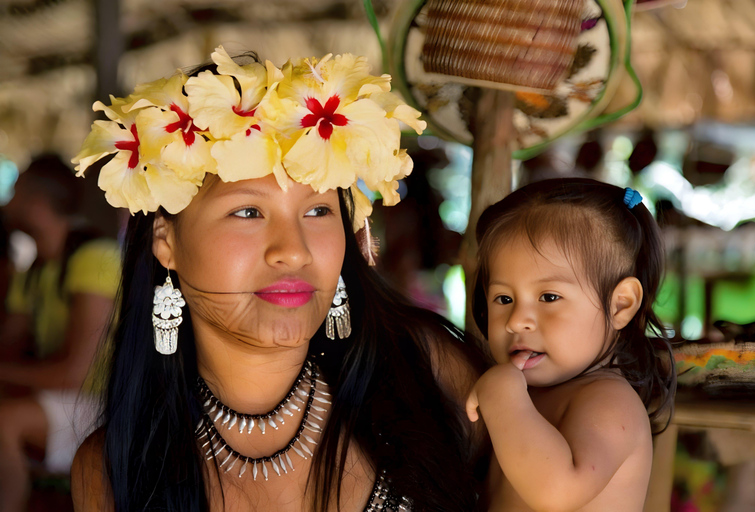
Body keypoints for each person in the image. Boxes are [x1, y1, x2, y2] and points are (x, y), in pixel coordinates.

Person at [70, 47, 486, 512]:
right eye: (248, 211)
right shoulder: (115, 470)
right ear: (165, 242)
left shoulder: (428, 372)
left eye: (317, 210)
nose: (293, 250)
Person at [466, 178, 676, 511]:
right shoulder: (527, 391)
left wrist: (502, 394)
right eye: (503, 298)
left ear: (620, 305)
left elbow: (556, 492)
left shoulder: (610, 402)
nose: (516, 320)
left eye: (549, 297)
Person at [0, 154, 120, 512]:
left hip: (104, 405)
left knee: (5, 421)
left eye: (15, 193)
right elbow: (10, 345)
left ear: (37, 204)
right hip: (62, 396)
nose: (7, 203)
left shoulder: (95, 256)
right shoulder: (36, 269)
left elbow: (77, 374)